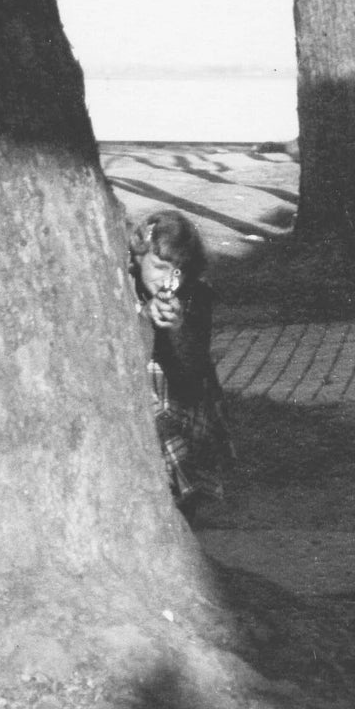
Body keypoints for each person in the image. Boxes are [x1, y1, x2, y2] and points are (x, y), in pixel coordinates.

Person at [129, 209, 235, 513]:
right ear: (138, 257)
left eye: (178, 271)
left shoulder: (195, 296)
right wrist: (144, 317)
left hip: (182, 397)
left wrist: (176, 328)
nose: (168, 281)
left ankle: (187, 487)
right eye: (160, 267)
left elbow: (192, 367)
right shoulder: (120, 288)